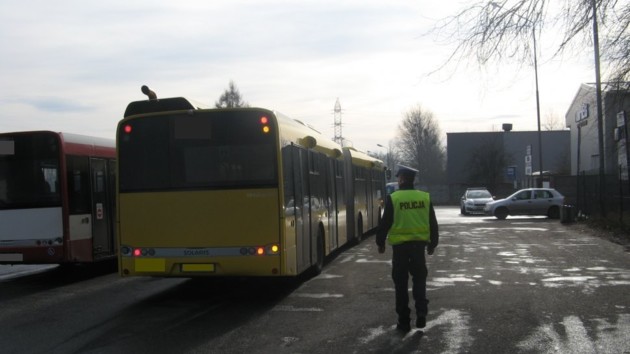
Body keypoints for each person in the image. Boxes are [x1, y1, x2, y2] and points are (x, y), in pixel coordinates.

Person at [376, 165, 439, 333]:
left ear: (402, 179)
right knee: (419, 280)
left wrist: (380, 242)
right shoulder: (424, 197)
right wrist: (433, 243)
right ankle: (421, 312)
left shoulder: (394, 198)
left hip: (400, 249)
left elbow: (385, 222)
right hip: (419, 248)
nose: (398, 180)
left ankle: (404, 321)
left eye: (398, 178)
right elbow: (432, 222)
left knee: (401, 284)